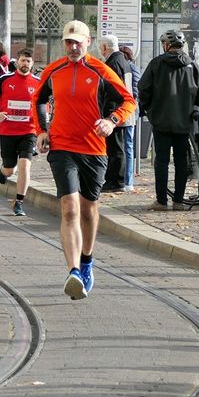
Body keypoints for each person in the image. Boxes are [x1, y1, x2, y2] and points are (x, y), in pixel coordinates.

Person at [35, 20, 135, 300]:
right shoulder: (53, 70)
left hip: (93, 148)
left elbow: (129, 101)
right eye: (68, 42)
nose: (73, 47)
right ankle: (74, 271)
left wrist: (112, 121)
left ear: (88, 42)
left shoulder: (101, 70)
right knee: (69, 208)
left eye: (78, 42)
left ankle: (87, 260)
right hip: (62, 146)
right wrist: (41, 130)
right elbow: (38, 100)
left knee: (89, 209)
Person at [137, 29, 199, 211]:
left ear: (166, 45)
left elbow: (143, 88)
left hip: (161, 120)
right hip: (183, 121)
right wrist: (193, 104)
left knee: (161, 162)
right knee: (181, 161)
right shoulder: (191, 65)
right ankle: (178, 201)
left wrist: (149, 108)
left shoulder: (156, 64)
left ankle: (161, 201)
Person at [0, 48, 41, 217]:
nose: (25, 64)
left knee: (25, 165)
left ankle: (19, 202)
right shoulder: (5, 79)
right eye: (23, 60)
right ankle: (3, 171)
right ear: (17, 62)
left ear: (32, 64)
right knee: (10, 170)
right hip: (8, 131)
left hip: (29, 131)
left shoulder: (38, 82)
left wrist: (42, 126)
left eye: (28, 61)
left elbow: (43, 105)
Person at [97, 35, 132, 193]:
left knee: (115, 148)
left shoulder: (113, 63)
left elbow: (113, 91)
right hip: (121, 110)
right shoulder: (122, 60)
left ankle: (116, 181)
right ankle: (115, 180)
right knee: (117, 147)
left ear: (105, 47)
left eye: (101, 47)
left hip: (115, 112)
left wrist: (110, 114)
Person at [118, 45, 142, 192]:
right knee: (125, 145)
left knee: (128, 145)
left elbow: (136, 90)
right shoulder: (127, 67)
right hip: (125, 111)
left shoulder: (131, 68)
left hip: (129, 111)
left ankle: (128, 181)